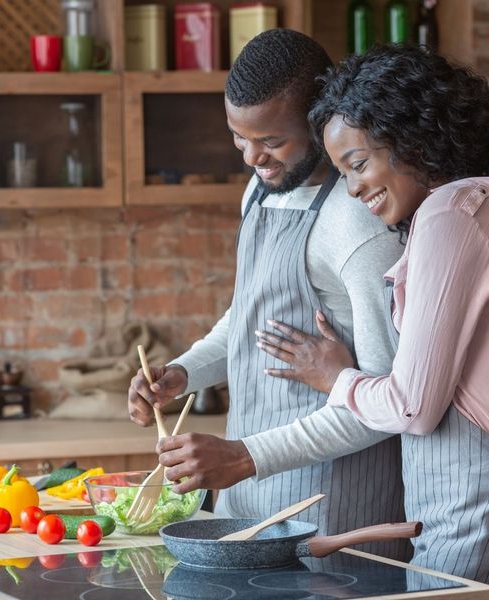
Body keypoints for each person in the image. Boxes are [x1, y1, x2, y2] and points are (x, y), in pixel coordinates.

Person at [128, 29, 409, 559]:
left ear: (321, 118)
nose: (252, 158)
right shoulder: (261, 190)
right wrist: (184, 374)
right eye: (240, 139)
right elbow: (249, 319)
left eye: (271, 141)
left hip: (331, 513)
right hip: (247, 499)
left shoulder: (357, 223)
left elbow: (387, 400)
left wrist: (242, 455)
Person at [256, 45, 489, 581]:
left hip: (467, 515)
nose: (354, 187)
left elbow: (412, 407)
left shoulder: (448, 215)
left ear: (412, 139)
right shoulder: (476, 200)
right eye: (341, 172)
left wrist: (336, 377)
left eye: (358, 164)